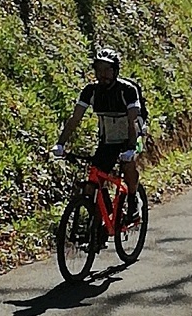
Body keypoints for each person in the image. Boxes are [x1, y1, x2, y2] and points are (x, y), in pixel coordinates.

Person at [51, 46, 143, 222]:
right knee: (92, 183)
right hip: (108, 141)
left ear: (115, 71)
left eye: (107, 69)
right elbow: (75, 118)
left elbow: (133, 121)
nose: (103, 74)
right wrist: (60, 143)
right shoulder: (91, 91)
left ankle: (133, 199)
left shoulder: (127, 90)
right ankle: (100, 223)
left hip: (132, 137)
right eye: (99, 70)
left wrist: (131, 148)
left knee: (128, 166)